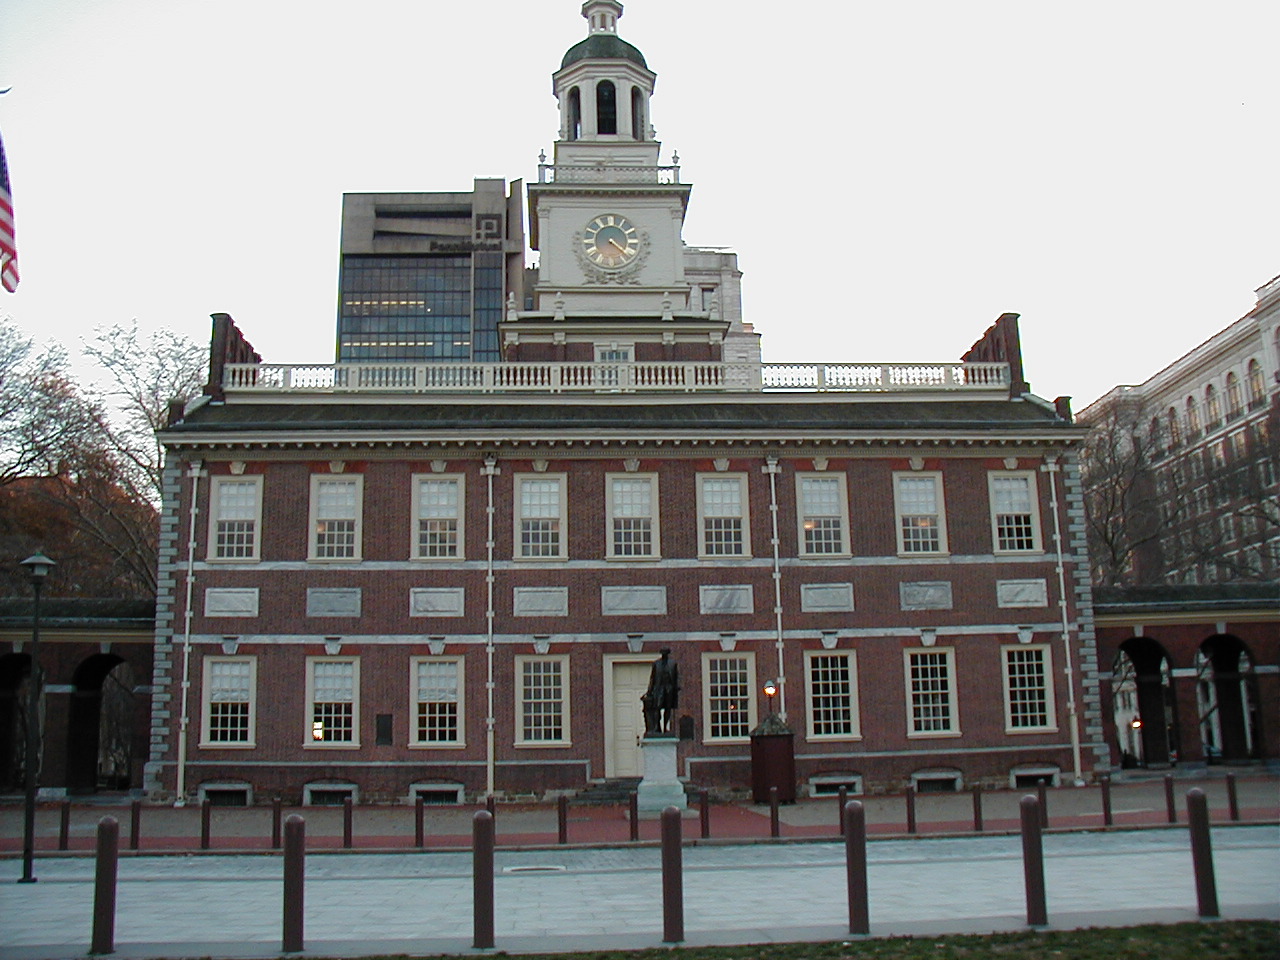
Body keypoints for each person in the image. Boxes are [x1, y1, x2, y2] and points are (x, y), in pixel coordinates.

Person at [641, 648, 679, 735]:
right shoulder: (656, 664)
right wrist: (649, 691)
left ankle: (665, 728)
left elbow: (676, 677)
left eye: (665, 653)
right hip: (659, 688)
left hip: (669, 689)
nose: (664, 655)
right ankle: (657, 727)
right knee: (657, 708)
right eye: (662, 653)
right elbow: (652, 678)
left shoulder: (672, 664)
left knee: (668, 709)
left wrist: (676, 688)